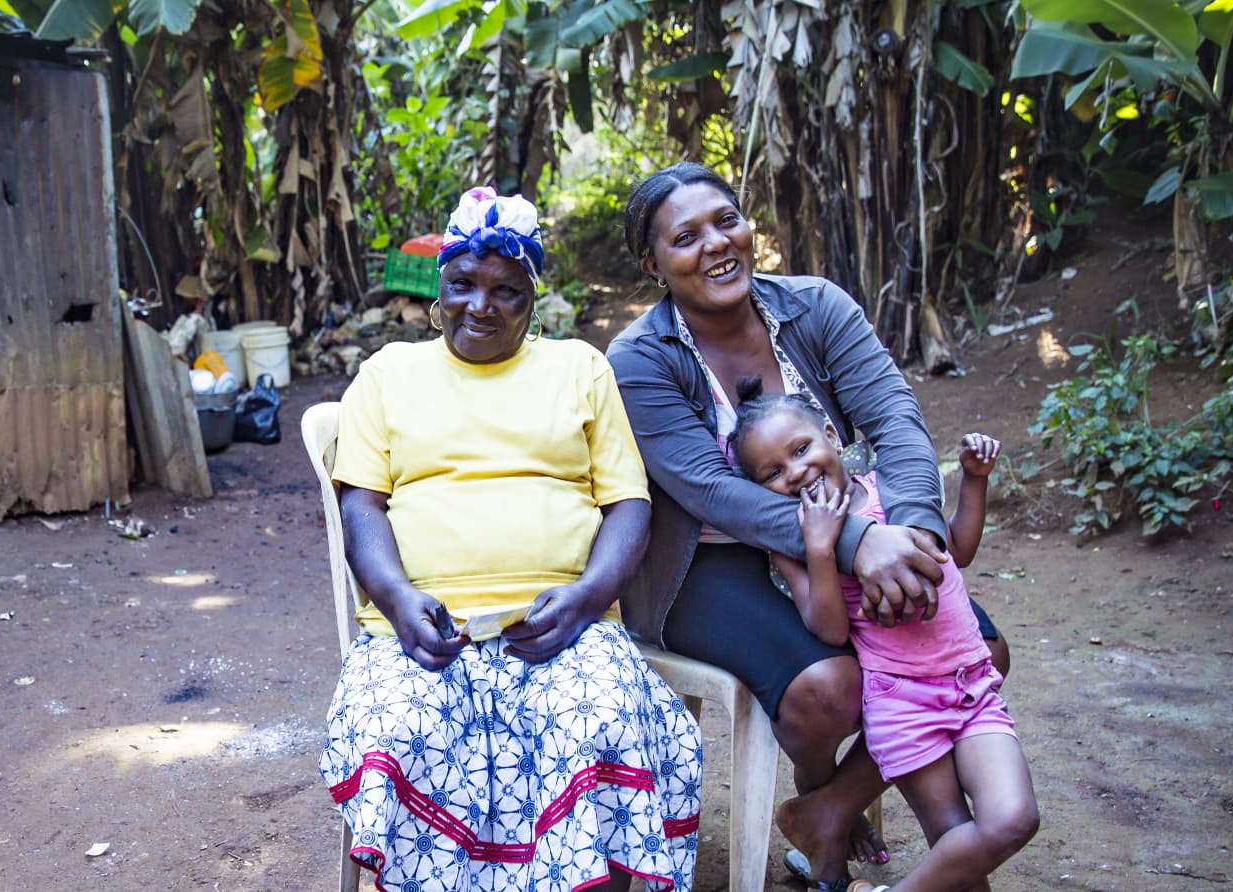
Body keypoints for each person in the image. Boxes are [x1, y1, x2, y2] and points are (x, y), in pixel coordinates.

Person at [604, 162, 1010, 889]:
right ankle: (827, 802)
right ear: (653, 264)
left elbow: (896, 419)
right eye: (686, 237)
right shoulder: (639, 361)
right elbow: (714, 493)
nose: (716, 244)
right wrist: (860, 543)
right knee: (831, 687)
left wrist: (913, 531)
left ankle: (828, 809)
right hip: (705, 559)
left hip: (841, 528)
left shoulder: (814, 306)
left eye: (726, 220)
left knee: (979, 645)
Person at [319, 187, 704, 892]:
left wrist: (589, 597)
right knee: (400, 727)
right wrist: (401, 600)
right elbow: (362, 509)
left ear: (534, 300)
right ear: (440, 286)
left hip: (564, 626)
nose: (480, 306)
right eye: (462, 285)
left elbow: (627, 505)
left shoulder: (579, 369)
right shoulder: (386, 376)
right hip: (418, 630)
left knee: (603, 716)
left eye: (506, 292)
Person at [729, 378, 1038, 891]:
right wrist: (824, 550)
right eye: (774, 473)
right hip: (903, 704)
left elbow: (956, 549)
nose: (797, 472)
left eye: (802, 449)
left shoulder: (890, 491)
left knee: (1014, 819)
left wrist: (974, 480)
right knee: (957, 854)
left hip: (972, 687)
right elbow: (828, 628)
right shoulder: (797, 540)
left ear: (832, 434)